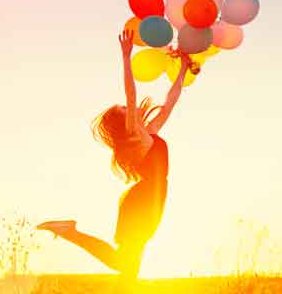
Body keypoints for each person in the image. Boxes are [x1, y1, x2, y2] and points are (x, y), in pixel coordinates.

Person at [37, 29, 194, 292]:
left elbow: (170, 102)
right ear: (125, 121)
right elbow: (132, 95)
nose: (128, 107)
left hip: (150, 198)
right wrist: (125, 56)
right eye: (124, 109)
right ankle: (70, 232)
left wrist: (182, 70)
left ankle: (70, 232)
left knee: (126, 266)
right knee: (127, 267)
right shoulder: (136, 135)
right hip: (144, 200)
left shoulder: (148, 134)